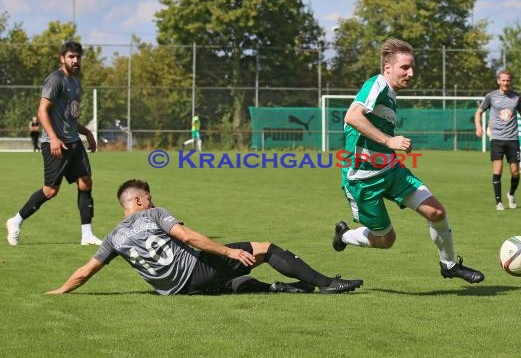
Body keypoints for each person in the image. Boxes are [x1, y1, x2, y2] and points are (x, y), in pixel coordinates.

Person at [333, 38, 484, 284]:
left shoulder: (391, 94)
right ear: (387, 67)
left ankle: (449, 265)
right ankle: (345, 236)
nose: (411, 73)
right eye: (405, 67)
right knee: (386, 240)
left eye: (412, 67)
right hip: (363, 181)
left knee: (436, 212)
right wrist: (388, 141)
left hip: (391, 170)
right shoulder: (377, 84)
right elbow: (352, 116)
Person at [46, 179, 363, 295]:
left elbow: (85, 272)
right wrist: (228, 252)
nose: (152, 202)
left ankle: (278, 288)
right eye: (149, 198)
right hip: (196, 271)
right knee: (264, 248)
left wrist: (59, 291)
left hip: (178, 290)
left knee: (227, 282)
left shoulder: (113, 237)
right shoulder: (154, 214)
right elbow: (188, 237)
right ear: (139, 200)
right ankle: (326, 284)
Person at [5, 41, 102, 246]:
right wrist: (54, 137)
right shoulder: (55, 80)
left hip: (74, 142)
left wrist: (87, 133)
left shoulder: (76, 83)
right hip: (54, 143)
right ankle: (15, 221)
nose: (75, 60)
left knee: (85, 181)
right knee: (50, 191)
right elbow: (42, 110)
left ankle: (87, 235)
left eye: (78, 57)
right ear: (62, 58)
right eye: (71, 57)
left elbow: (71, 118)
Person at [475, 70, 521, 210]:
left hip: (513, 139)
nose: (506, 83)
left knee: (515, 172)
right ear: (498, 81)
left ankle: (511, 194)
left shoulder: (516, 97)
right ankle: (498, 202)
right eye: (503, 80)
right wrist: (478, 127)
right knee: (498, 170)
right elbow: (479, 112)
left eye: (508, 80)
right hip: (497, 139)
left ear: (510, 81)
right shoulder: (491, 97)